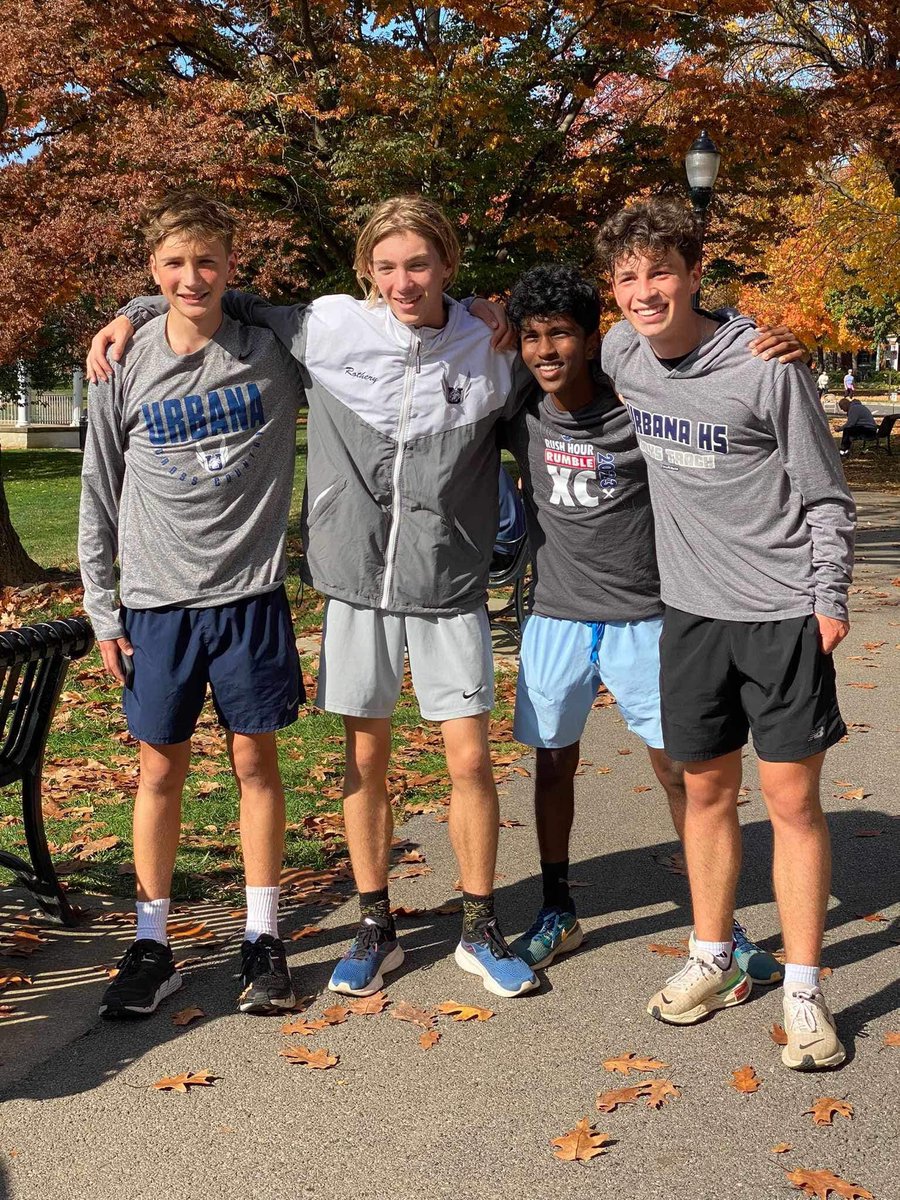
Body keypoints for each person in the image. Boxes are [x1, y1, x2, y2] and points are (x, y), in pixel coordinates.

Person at [87, 196, 538, 1001]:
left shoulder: (480, 345)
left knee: (465, 758)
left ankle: (474, 923)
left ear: (449, 265)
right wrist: (133, 310)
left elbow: (552, 408)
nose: (405, 281)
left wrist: (491, 309)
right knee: (350, 758)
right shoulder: (324, 330)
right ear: (366, 270)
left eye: (422, 264)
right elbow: (207, 295)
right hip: (330, 581)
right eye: (389, 266)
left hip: (435, 582)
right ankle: (363, 925)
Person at [597, 198, 855, 1072]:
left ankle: (805, 987)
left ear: (695, 272)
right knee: (704, 794)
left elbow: (824, 492)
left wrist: (830, 601)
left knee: (790, 804)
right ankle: (712, 957)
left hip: (782, 614)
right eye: (628, 277)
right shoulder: (622, 353)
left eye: (660, 272)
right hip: (692, 614)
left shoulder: (761, 364)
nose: (645, 291)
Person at [498, 263, 784, 989]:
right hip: (556, 616)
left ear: (592, 339)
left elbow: (698, 351)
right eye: (532, 337)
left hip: (645, 617)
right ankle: (557, 906)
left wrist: (760, 337)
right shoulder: (521, 408)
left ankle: (716, 919)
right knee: (553, 759)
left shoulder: (640, 406)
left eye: (560, 332)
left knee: (681, 769)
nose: (545, 349)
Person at [79, 192, 305, 1018]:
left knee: (254, 763)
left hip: (248, 595)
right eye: (173, 264)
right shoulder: (120, 362)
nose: (191, 277)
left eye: (207, 261)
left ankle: (263, 935)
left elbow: (355, 319)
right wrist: (103, 609)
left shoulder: (271, 349)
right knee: (160, 768)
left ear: (231, 266)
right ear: (153, 269)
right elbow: (97, 488)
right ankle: (152, 943)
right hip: (154, 605)